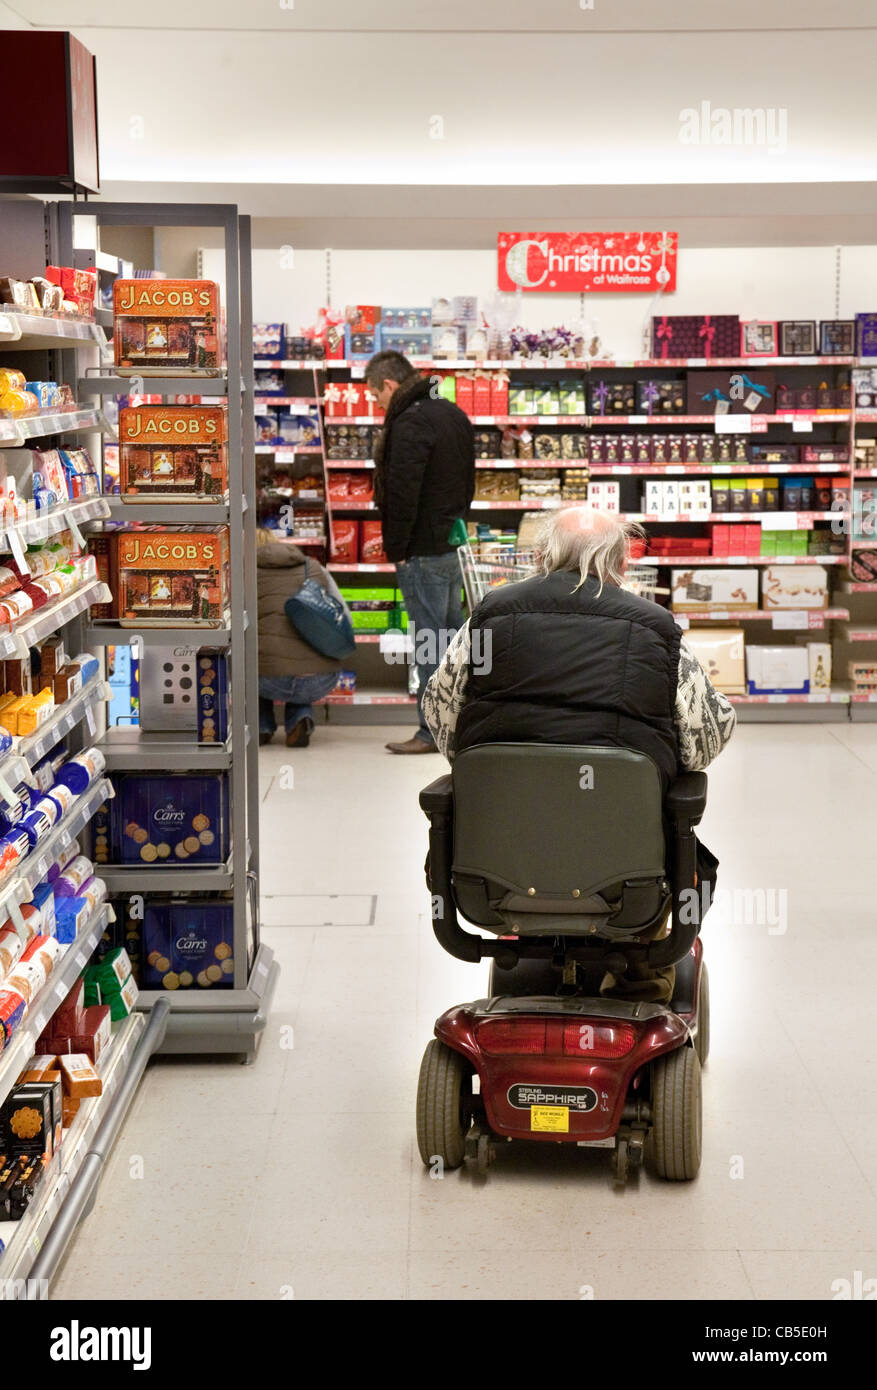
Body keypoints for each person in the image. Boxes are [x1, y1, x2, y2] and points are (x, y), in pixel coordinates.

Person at [421, 505, 736, 1004]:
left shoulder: (488, 618)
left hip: (494, 871)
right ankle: (638, 981)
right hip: (628, 881)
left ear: (541, 556)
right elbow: (706, 737)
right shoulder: (658, 630)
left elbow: (441, 720)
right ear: (623, 564)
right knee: (668, 841)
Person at [365, 349, 475, 755]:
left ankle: (431, 732)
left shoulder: (410, 422)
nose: (377, 405)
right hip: (450, 545)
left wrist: (398, 548)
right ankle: (458, 725)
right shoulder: (452, 414)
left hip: (422, 553)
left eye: (376, 396)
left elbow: (402, 493)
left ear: (389, 386)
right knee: (453, 642)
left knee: (430, 642)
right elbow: (468, 484)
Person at [256, 529, 349, 747]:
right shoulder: (314, 568)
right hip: (321, 677)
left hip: (267, 679)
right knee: (302, 661)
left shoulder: (243, 572)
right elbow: (345, 618)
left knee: (251, 664)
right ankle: (300, 717)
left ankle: (261, 725)